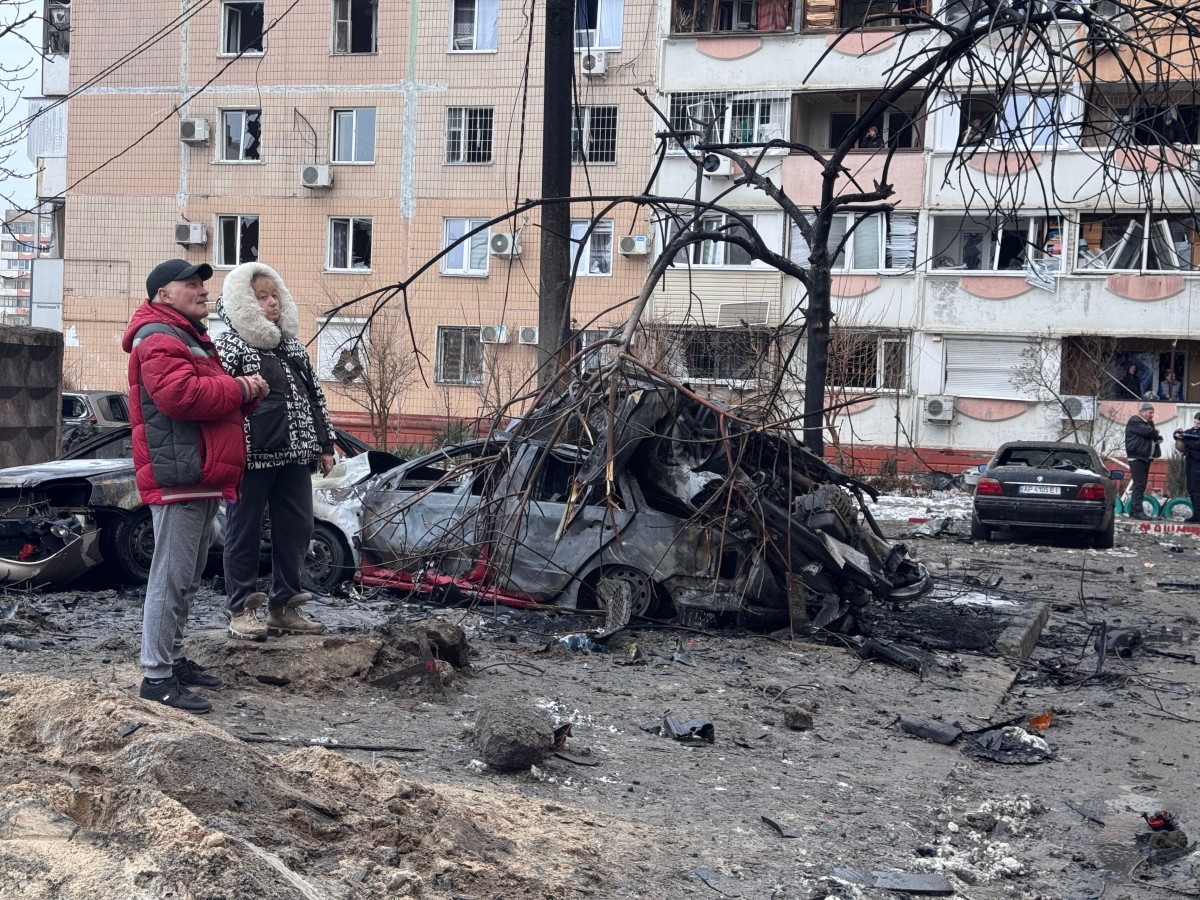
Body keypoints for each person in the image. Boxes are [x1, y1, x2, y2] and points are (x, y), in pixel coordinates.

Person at [123, 259, 269, 713]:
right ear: (163, 295)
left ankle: (172, 659)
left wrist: (239, 393)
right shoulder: (158, 337)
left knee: (185, 577)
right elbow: (180, 397)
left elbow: (207, 398)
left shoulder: (187, 336)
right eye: (190, 284)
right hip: (179, 475)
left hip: (199, 475)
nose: (202, 291)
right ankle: (156, 677)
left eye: (202, 284)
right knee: (170, 577)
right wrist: (242, 388)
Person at [215, 261, 337, 641]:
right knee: (243, 533)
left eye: (275, 296)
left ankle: (282, 607)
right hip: (251, 457)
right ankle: (239, 609)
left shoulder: (293, 346)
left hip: (296, 456)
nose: (272, 304)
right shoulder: (229, 345)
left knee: (299, 528)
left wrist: (325, 444)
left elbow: (315, 398)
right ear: (244, 303)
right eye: (262, 298)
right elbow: (220, 398)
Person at [1124, 402, 1162, 520]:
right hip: (1137, 457)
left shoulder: (1147, 423)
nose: (1152, 415)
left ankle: (1134, 510)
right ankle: (1137, 511)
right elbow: (1149, 432)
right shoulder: (1135, 421)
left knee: (1141, 484)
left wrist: (1155, 434)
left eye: (1153, 413)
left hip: (1145, 458)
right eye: (1150, 413)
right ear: (1143, 412)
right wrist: (1155, 431)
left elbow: (1154, 436)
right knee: (1139, 484)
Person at [1173, 412, 1200, 523]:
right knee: (1191, 489)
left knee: (1196, 490)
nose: (1196, 425)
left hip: (1198, 464)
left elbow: (1196, 445)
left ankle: (1198, 515)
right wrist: (1177, 434)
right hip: (1190, 464)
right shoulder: (1191, 431)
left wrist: (1187, 440)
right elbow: (1180, 437)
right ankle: (1196, 514)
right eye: (1195, 422)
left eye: (1198, 423)